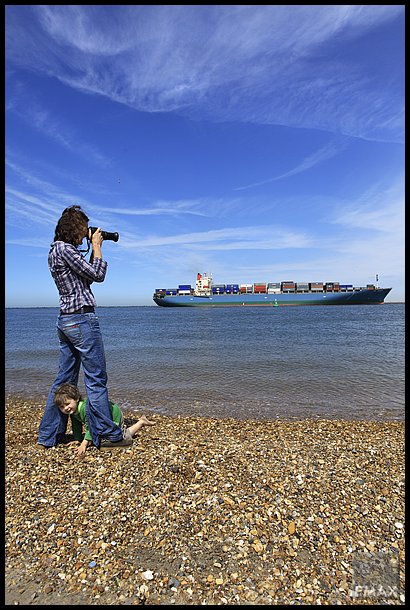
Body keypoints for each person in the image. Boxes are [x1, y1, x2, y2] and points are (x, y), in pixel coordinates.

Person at [37, 204, 129, 449]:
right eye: (84, 228)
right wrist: (97, 246)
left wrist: (91, 249)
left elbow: (87, 276)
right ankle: (107, 434)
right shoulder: (66, 249)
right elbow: (98, 275)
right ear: (75, 228)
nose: (86, 233)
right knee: (96, 379)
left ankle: (49, 436)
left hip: (66, 320)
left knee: (63, 381)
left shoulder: (56, 250)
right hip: (81, 319)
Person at [54, 383, 155, 459]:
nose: (66, 408)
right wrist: (78, 439)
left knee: (122, 434)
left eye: (67, 404)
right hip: (103, 414)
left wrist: (84, 444)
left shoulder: (84, 409)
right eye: (62, 407)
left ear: (76, 399)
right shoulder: (73, 411)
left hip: (113, 415)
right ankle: (141, 422)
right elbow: (76, 425)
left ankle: (141, 423)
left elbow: (90, 426)